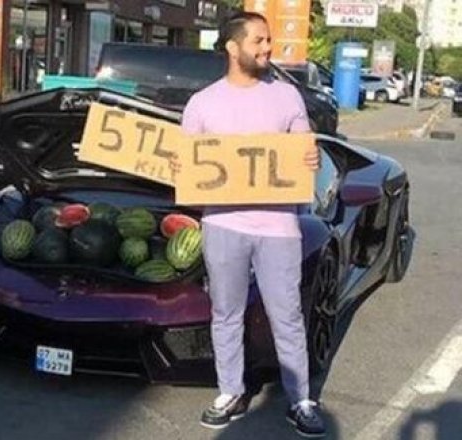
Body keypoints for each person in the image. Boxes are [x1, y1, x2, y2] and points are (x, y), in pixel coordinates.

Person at [178, 12, 324, 438]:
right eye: (258, 41)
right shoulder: (203, 103)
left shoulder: (287, 97)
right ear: (232, 47)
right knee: (226, 312)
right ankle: (229, 392)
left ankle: (301, 400)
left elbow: (302, 149)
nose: (267, 48)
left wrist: (309, 157)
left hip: (278, 226)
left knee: (287, 315)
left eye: (268, 40)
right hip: (224, 225)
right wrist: (177, 165)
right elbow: (186, 164)